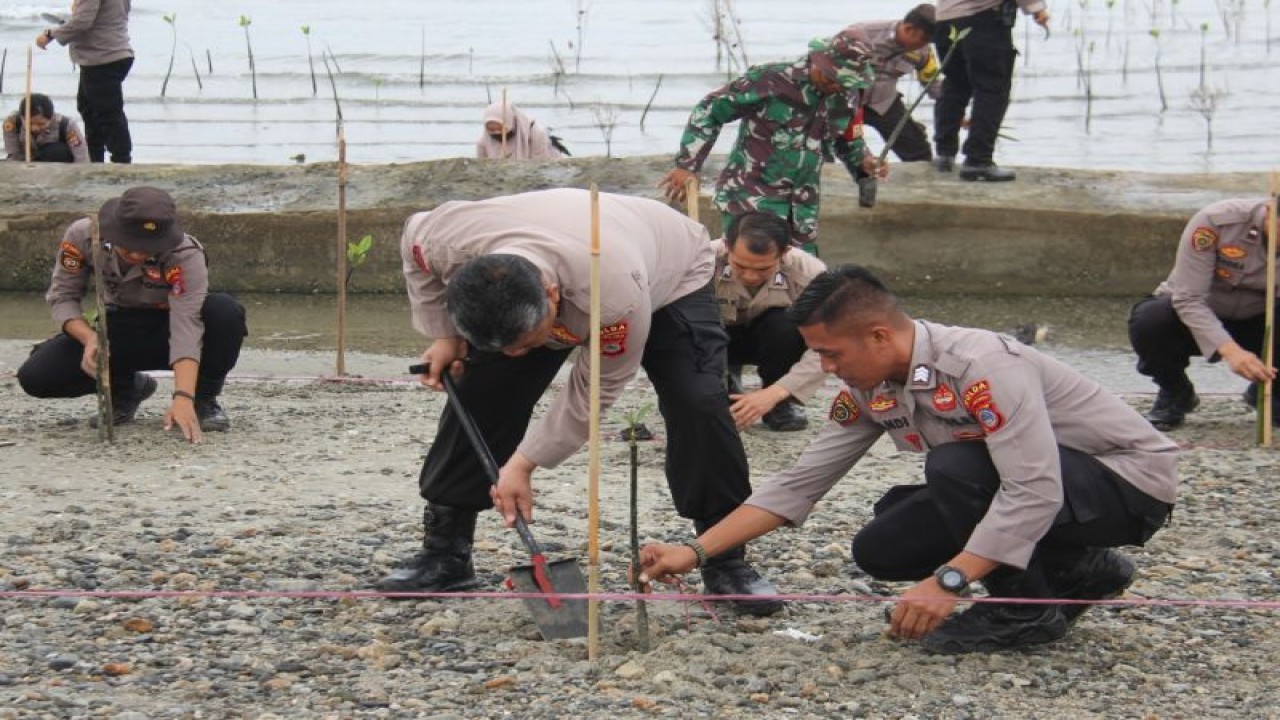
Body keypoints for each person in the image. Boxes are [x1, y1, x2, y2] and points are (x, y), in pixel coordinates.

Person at [639, 265, 1179, 654]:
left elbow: (1032, 489)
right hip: (1048, 492)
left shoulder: (981, 366)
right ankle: (1081, 570)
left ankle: (1026, 613)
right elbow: (801, 483)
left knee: (956, 470)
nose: (825, 368)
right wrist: (696, 550)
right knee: (884, 545)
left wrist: (949, 582)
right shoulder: (871, 382)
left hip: (1127, 487)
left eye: (831, 354)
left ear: (878, 335)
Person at [380, 188, 782, 615]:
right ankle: (445, 552)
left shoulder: (613, 296)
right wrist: (445, 335)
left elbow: (594, 391)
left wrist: (523, 463)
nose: (518, 354)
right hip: (571, 247)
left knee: (697, 400)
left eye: (526, 343)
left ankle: (723, 560)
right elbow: (413, 249)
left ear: (551, 295)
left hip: (668, 270)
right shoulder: (442, 239)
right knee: (483, 385)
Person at [17, 187, 247, 442]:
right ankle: (127, 388)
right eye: (130, 246)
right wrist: (89, 338)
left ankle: (203, 399)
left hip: (169, 331)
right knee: (36, 376)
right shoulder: (83, 235)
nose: (137, 254)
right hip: (116, 329)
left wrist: (183, 396)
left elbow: (187, 325)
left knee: (224, 312)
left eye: (147, 248)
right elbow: (63, 297)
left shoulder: (185, 253)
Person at [658, 28, 883, 256]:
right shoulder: (770, 79)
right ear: (819, 60)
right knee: (747, 272)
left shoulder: (848, 94)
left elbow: (848, 138)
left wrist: (863, 162)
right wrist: (688, 165)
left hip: (802, 209)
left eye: (844, 81)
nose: (836, 85)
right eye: (831, 77)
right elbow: (709, 111)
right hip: (751, 199)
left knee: (802, 279)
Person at [1129, 198, 1278, 430]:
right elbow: (1188, 299)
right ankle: (1175, 391)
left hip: (1259, 317)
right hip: (1198, 314)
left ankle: (1271, 392)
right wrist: (1230, 350)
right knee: (1150, 320)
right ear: (1270, 212)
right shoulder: (1215, 222)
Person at [715, 211, 827, 432]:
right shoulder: (700, 262)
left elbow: (829, 345)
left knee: (785, 323)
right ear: (727, 246)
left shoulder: (811, 274)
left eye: (762, 269)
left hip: (774, 342)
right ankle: (722, 387)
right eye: (740, 266)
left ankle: (778, 405)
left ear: (784, 253)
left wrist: (778, 392)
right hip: (718, 338)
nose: (750, 276)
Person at [932, 0, 1050, 181]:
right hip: (982, 19)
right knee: (992, 89)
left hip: (944, 19)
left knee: (955, 84)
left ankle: (944, 154)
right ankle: (978, 161)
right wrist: (1036, 8)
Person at [35, 0, 134, 164]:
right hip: (115, 53)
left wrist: (50, 34)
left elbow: (82, 22)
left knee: (107, 114)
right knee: (90, 109)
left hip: (102, 57)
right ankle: (95, 158)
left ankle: (121, 160)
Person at [849, 4, 942, 164]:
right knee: (821, 142)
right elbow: (825, 66)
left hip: (884, 103)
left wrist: (953, 112)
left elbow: (932, 82)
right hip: (846, 100)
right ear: (908, 29)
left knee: (919, 150)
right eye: (922, 40)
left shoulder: (923, 50)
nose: (924, 45)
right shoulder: (859, 34)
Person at [3, 94, 89, 163]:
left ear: (52, 117)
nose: (35, 128)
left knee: (58, 151)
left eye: (41, 124)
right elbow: (14, 155)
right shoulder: (12, 123)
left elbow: (82, 157)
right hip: (26, 164)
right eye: (30, 123)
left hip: (55, 164)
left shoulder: (66, 125)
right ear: (22, 117)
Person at [475, 102, 569, 160]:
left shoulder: (536, 133)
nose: (496, 133)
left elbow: (540, 162)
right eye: (491, 130)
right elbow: (482, 164)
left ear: (509, 123)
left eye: (500, 129)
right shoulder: (483, 142)